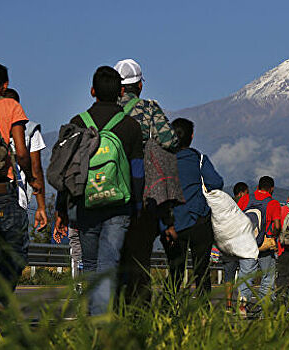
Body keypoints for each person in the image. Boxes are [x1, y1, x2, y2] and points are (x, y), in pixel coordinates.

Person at [54, 66, 144, 315]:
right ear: (120, 92)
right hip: (119, 207)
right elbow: (137, 172)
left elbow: (68, 171)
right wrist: (137, 206)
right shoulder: (130, 127)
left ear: (92, 91)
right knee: (109, 263)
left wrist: (61, 208)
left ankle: (93, 318)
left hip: (85, 204)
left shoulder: (78, 123)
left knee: (91, 264)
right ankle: (100, 321)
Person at [113, 58, 179, 303]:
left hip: (107, 191)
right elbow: (170, 141)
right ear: (139, 86)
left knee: (112, 257)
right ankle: (138, 312)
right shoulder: (149, 109)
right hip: (142, 193)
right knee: (140, 257)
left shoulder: (106, 112)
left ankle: (108, 308)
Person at [160, 118, 223, 295]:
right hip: (199, 221)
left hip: (172, 223)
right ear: (192, 136)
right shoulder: (199, 159)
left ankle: (167, 309)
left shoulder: (164, 162)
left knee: (175, 271)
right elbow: (216, 182)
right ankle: (203, 312)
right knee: (201, 270)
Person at [0, 63, 38, 309]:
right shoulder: (11, 106)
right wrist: (31, 178)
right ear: (4, 85)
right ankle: (1, 300)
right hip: (3, 191)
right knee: (14, 252)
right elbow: (22, 153)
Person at [2, 88, 48, 231]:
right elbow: (36, 168)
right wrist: (41, 206)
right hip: (17, 199)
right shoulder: (30, 130)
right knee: (16, 248)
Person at [237, 176, 281, 315]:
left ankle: (242, 307)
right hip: (265, 246)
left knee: (246, 276)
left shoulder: (245, 199)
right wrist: (273, 236)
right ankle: (265, 309)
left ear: (257, 187)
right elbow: (277, 225)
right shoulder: (273, 203)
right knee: (267, 277)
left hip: (247, 245)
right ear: (272, 189)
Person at [221, 182, 248, 310]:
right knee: (245, 274)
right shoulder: (246, 204)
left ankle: (228, 305)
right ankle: (242, 306)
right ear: (242, 193)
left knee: (228, 277)